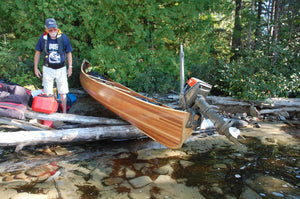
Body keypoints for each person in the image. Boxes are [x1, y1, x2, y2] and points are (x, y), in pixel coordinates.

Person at [34, 18, 73, 113]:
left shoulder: (63, 38)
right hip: (48, 68)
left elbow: (69, 53)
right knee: (48, 93)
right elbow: (38, 53)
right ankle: (50, 113)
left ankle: (64, 113)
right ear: (46, 29)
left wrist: (70, 67)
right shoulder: (43, 38)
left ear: (57, 28)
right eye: (50, 30)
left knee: (63, 92)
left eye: (54, 29)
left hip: (61, 68)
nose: (53, 31)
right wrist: (35, 67)